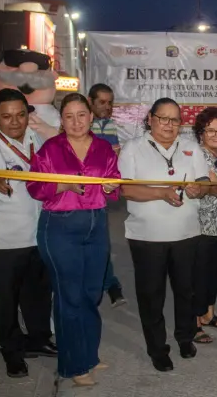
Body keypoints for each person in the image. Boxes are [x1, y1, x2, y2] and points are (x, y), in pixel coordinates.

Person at [26, 93, 120, 386]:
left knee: (91, 294)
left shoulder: (104, 148)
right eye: (69, 116)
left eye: (82, 115)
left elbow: (115, 189)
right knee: (70, 297)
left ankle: (88, 355)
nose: (76, 121)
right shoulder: (50, 149)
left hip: (96, 225)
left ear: (91, 117)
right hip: (60, 227)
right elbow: (34, 187)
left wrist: (108, 188)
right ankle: (74, 364)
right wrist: (62, 185)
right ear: (61, 120)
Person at [0, 89, 56, 378]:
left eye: (20, 114)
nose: (14, 121)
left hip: (36, 236)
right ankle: (12, 353)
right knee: (5, 302)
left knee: (38, 295)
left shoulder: (37, 141)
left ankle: (40, 339)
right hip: (2, 243)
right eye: (6, 116)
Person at [118, 98, 209, 372]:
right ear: (150, 119)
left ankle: (185, 337)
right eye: (163, 118)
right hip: (146, 237)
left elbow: (204, 182)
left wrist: (198, 190)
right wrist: (161, 192)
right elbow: (126, 189)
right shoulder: (133, 149)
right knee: (151, 295)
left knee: (186, 291)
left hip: (187, 233)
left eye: (175, 120)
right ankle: (158, 349)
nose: (169, 125)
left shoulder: (192, 148)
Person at [192, 107, 217, 335]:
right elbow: (214, 188)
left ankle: (208, 314)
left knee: (216, 272)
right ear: (201, 133)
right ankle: (194, 321)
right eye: (210, 130)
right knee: (200, 275)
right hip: (202, 226)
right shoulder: (197, 155)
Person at [87, 83, 126, 307]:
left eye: (110, 102)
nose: (107, 106)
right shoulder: (82, 123)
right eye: (101, 102)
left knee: (101, 241)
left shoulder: (109, 125)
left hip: (100, 194)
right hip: (77, 192)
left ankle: (110, 284)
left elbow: (113, 156)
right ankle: (107, 284)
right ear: (90, 101)